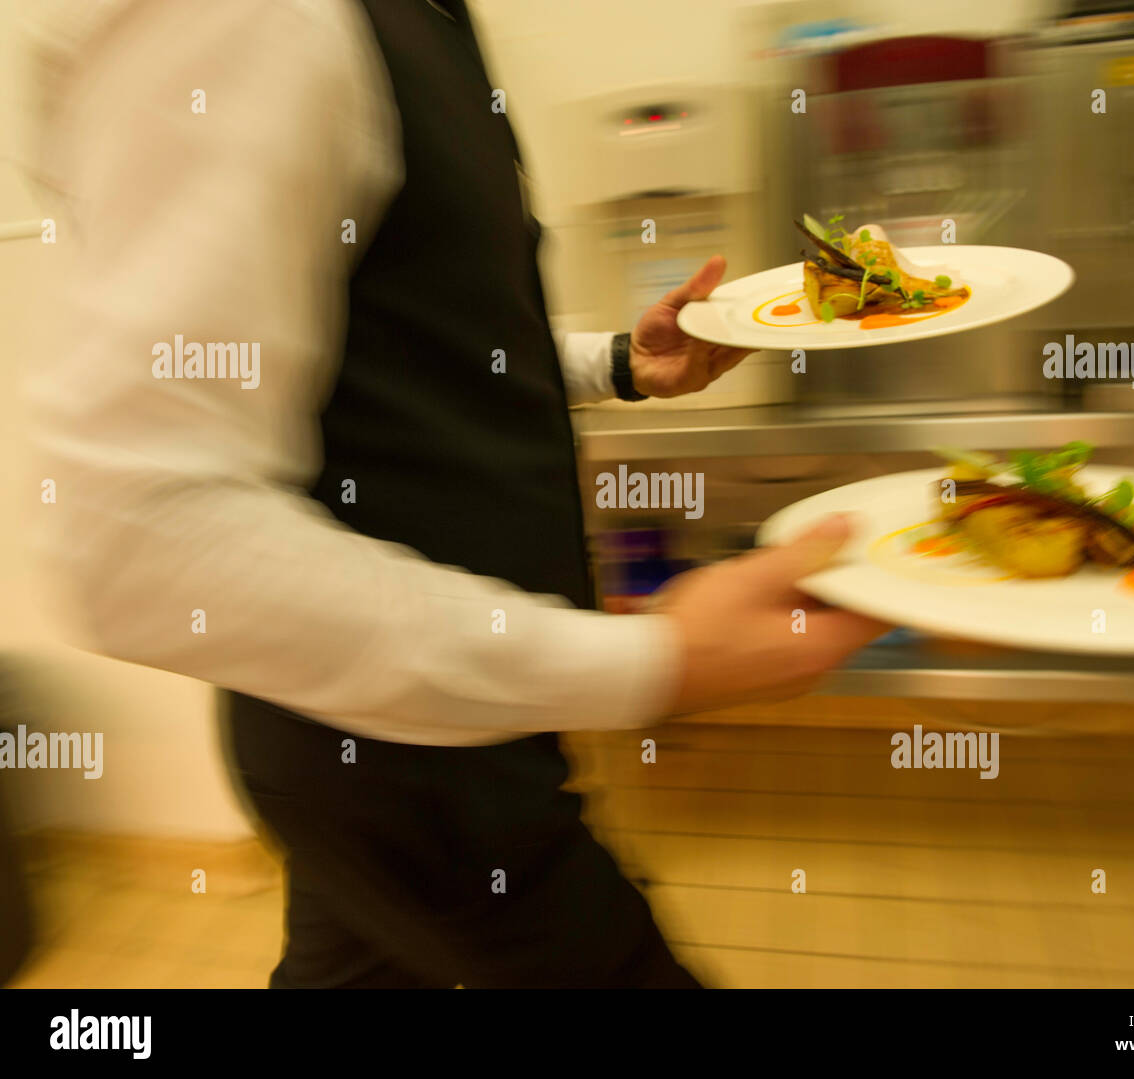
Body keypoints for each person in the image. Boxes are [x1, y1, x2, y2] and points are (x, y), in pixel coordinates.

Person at [21, 0, 887, 987]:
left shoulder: (419, 21)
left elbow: (410, 351)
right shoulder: (249, 18)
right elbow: (132, 541)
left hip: (415, 724)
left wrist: (617, 364)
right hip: (403, 756)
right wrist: (657, 659)